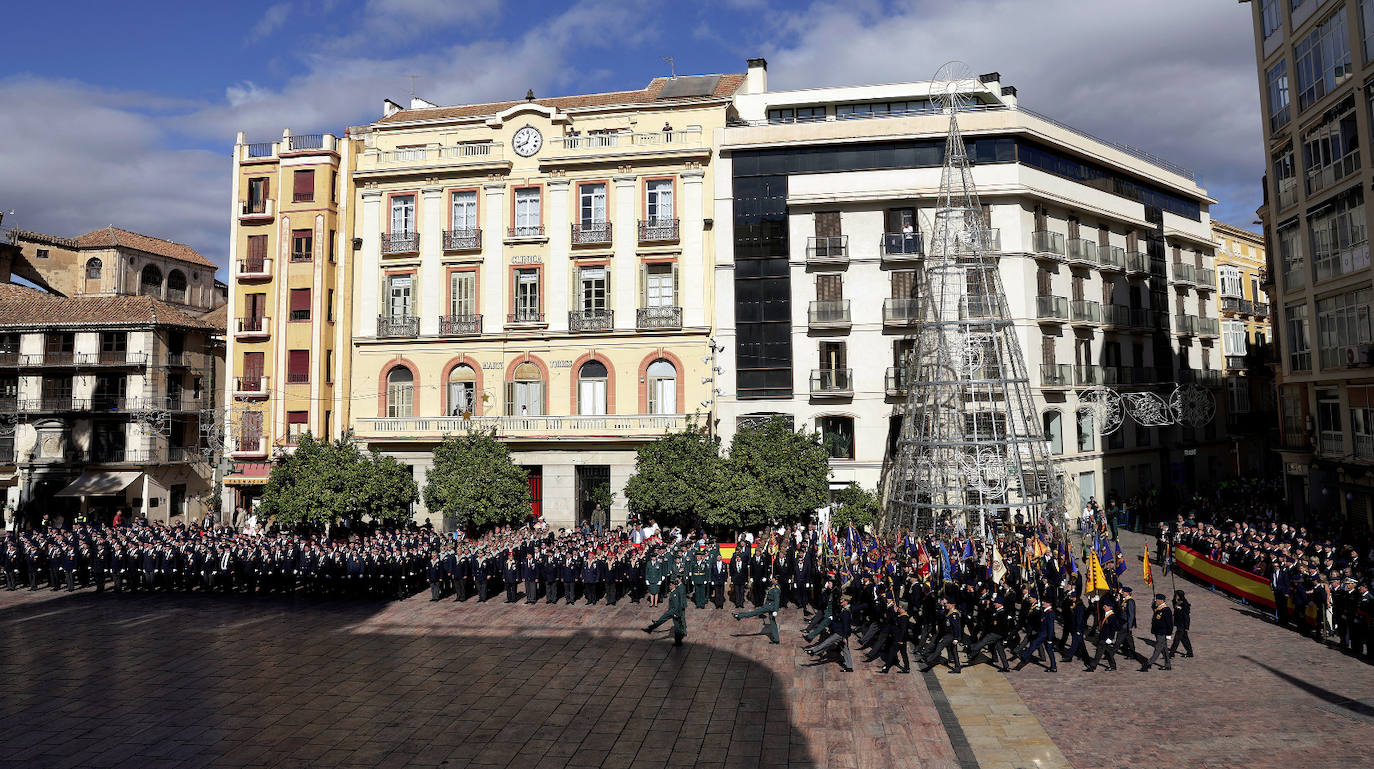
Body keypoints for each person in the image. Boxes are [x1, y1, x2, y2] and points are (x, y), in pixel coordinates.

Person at [919, 597, 963, 674]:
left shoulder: (954, 615)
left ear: (951, 605)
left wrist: (956, 638)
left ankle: (927, 659)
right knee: (954, 651)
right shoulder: (949, 612)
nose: (945, 605)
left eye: (947, 604)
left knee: (939, 646)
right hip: (948, 634)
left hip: (950, 635)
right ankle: (957, 667)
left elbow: (956, 628)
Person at [733, 574, 781, 644]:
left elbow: (777, 600)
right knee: (773, 622)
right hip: (770, 605)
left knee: (755, 612)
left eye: (773, 578)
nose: (772, 579)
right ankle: (776, 639)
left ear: (776, 580)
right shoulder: (774, 586)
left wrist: (776, 610)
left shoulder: (776, 589)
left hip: (769, 606)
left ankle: (739, 616)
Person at [642, 575, 687, 647]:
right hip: (674, 612)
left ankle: (650, 628)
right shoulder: (674, 592)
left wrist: (676, 613)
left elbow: (676, 605)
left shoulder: (675, 593)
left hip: (673, 612)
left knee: (663, 619)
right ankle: (678, 642)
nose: (669, 586)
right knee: (676, 627)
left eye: (670, 585)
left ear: (673, 586)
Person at [1142, 593, 1174, 671]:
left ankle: (1148, 664)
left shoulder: (1166, 610)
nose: (1156, 601)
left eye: (1156, 600)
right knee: (1164, 649)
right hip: (1158, 632)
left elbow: (1170, 623)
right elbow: (1153, 608)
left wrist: (1169, 633)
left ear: (1161, 600)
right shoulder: (1159, 608)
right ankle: (1168, 665)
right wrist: (1153, 602)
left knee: (1158, 648)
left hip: (1162, 632)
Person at [1169, 590, 1193, 658]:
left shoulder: (1184, 603)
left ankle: (1171, 653)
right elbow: (1174, 605)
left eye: (1177, 595)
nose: (1176, 596)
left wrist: (1187, 626)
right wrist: (1174, 597)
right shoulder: (1178, 602)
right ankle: (1190, 653)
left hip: (1182, 625)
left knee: (1176, 639)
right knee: (1185, 639)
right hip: (1179, 623)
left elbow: (1186, 616)